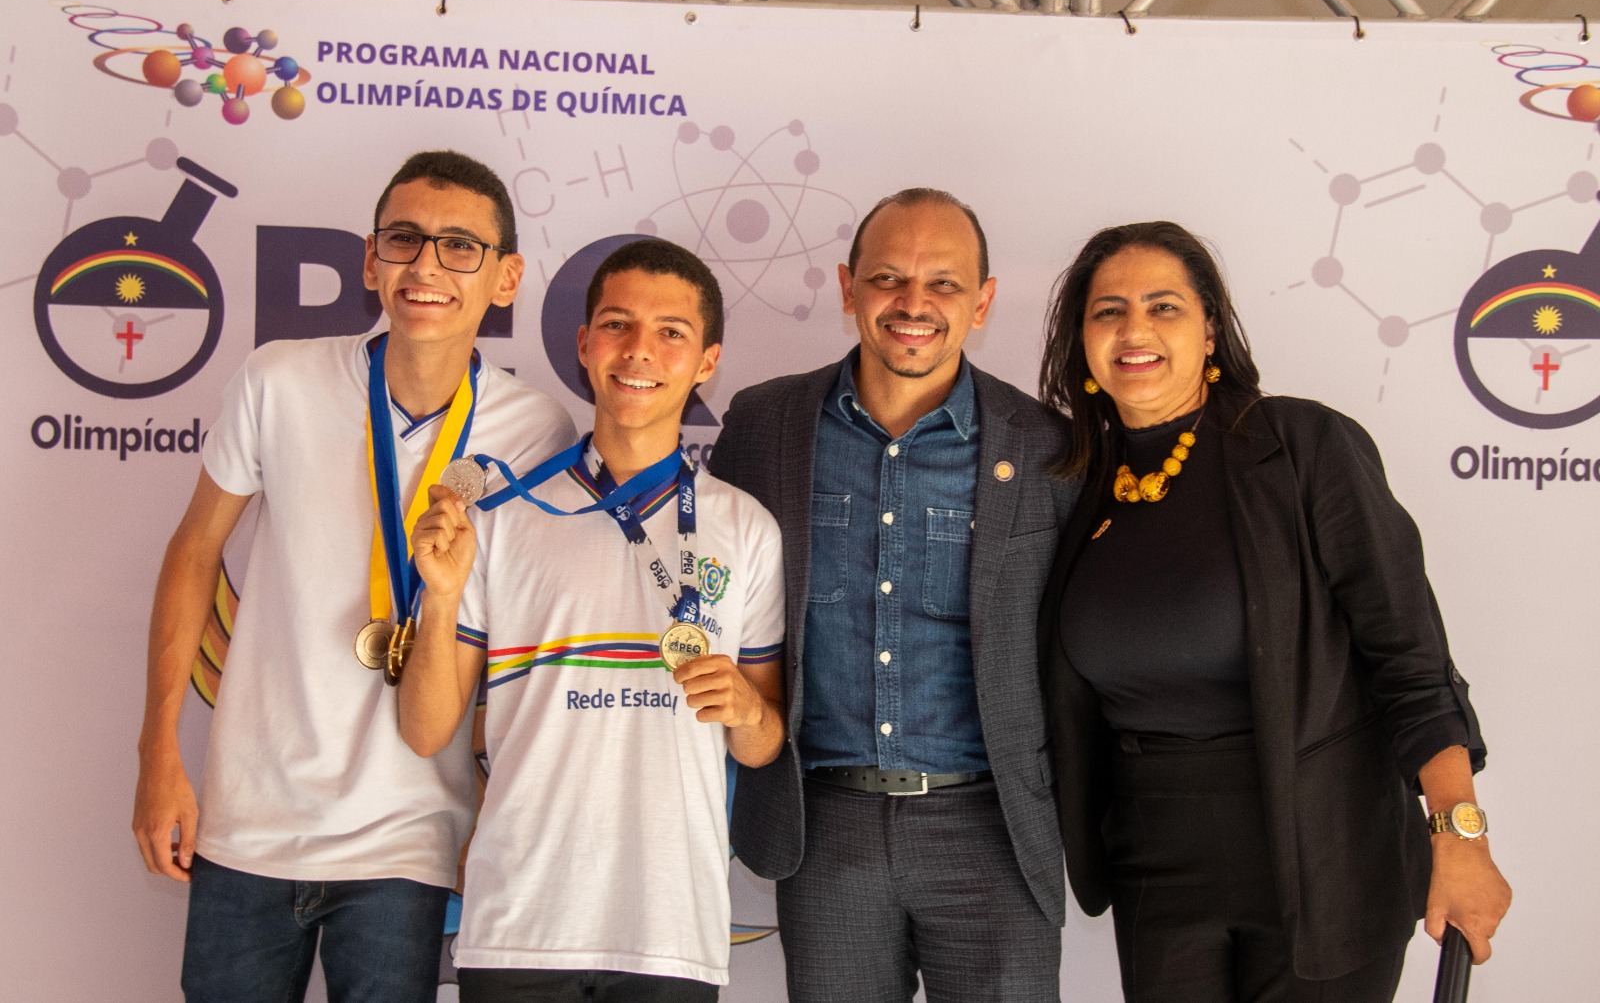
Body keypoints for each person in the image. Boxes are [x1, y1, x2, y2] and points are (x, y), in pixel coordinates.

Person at [131, 150, 577, 1002]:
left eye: (460, 246)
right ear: (371, 260)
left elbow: (524, 641)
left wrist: (500, 810)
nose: (426, 266)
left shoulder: (536, 430)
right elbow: (193, 552)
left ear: (507, 277)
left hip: (409, 839)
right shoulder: (278, 379)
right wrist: (157, 754)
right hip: (248, 825)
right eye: (404, 239)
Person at [1036, 220, 1512, 1002]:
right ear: (1081, 341)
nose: (1134, 330)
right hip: (1156, 872)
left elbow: (1410, 658)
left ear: (1210, 330)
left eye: (1163, 307)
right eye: (1108, 311)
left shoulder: (1300, 447)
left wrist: (1459, 832)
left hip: (1327, 861)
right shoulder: (1078, 487)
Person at [709, 188, 1079, 1003]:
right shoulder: (764, 426)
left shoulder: (1046, 448)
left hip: (993, 833)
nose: (914, 304)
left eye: (944, 283)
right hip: (825, 829)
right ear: (848, 288)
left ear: (983, 300)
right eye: (887, 279)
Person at [399, 237, 785, 1002]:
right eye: (617, 324)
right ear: (583, 345)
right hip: (518, 924)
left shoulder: (746, 528)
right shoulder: (502, 518)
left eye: (671, 332)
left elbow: (765, 742)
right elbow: (425, 730)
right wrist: (439, 596)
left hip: (670, 932)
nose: (639, 350)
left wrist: (747, 709)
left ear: (706, 361)